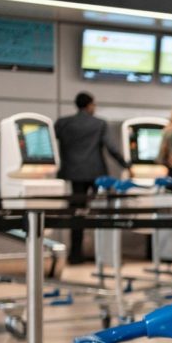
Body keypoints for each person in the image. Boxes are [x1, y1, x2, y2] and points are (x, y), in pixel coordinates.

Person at [54, 91, 131, 264]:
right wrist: (126, 165)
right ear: (89, 105)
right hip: (96, 175)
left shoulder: (63, 123)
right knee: (101, 212)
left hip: (74, 174)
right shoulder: (99, 124)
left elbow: (49, 142)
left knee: (76, 214)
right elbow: (111, 148)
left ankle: (75, 254)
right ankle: (103, 255)